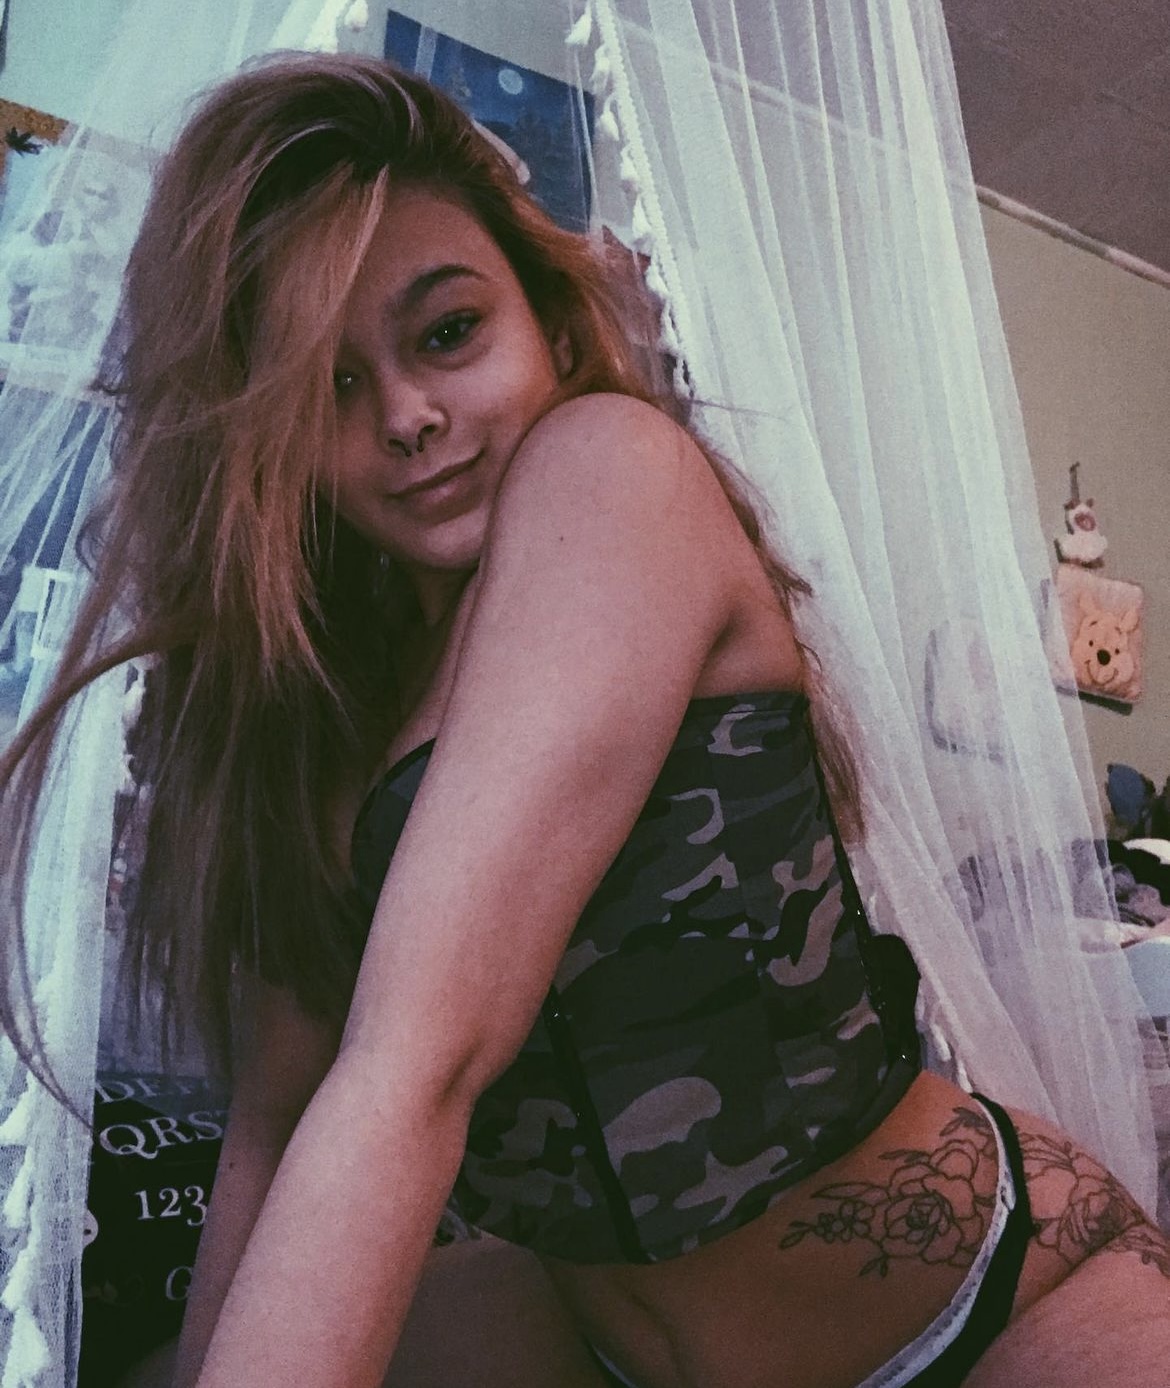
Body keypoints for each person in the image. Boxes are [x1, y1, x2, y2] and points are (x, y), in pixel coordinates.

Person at [3, 51, 1170, 1388]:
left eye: (449, 332)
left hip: (990, 1308)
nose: (408, 417)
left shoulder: (608, 473)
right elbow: (273, 1133)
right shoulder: (323, 715)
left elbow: (418, 1063)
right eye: (326, 384)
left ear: (553, 331)